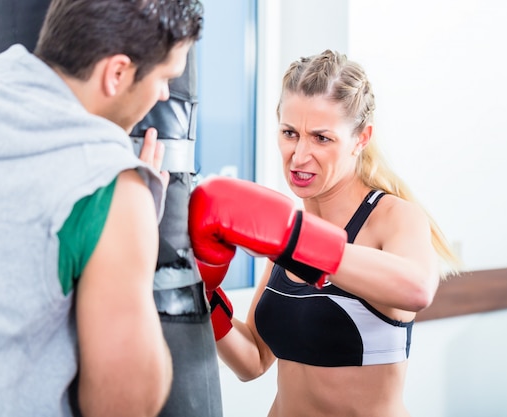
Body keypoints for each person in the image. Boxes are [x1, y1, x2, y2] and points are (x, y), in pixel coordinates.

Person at [0, 1, 203, 416]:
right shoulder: (108, 186)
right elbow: (121, 405)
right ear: (117, 74)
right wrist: (138, 224)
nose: (165, 94)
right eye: (165, 77)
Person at [188, 49, 460, 417]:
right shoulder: (289, 229)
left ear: (361, 138)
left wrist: (295, 241)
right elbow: (253, 360)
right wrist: (203, 296)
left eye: (321, 138)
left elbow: (417, 288)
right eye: (290, 133)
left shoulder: (393, 217)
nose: (299, 155)